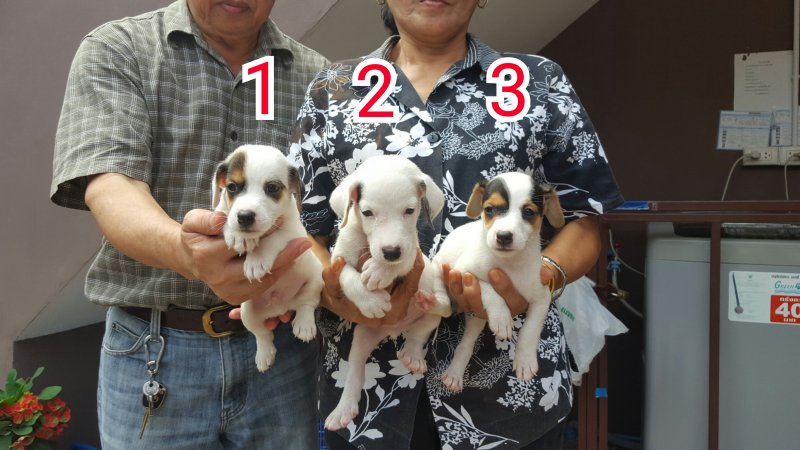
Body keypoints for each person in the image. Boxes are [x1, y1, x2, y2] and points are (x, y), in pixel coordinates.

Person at [288, 0, 624, 449]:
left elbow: (586, 218)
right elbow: (304, 227)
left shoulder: (539, 82)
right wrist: (339, 293)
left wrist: (540, 277)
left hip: (509, 396)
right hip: (367, 395)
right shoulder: (333, 91)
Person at [49, 1, 329, 448]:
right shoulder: (122, 48)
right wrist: (185, 253)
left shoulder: (318, 78)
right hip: (155, 344)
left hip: (283, 346)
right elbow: (110, 185)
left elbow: (326, 210)